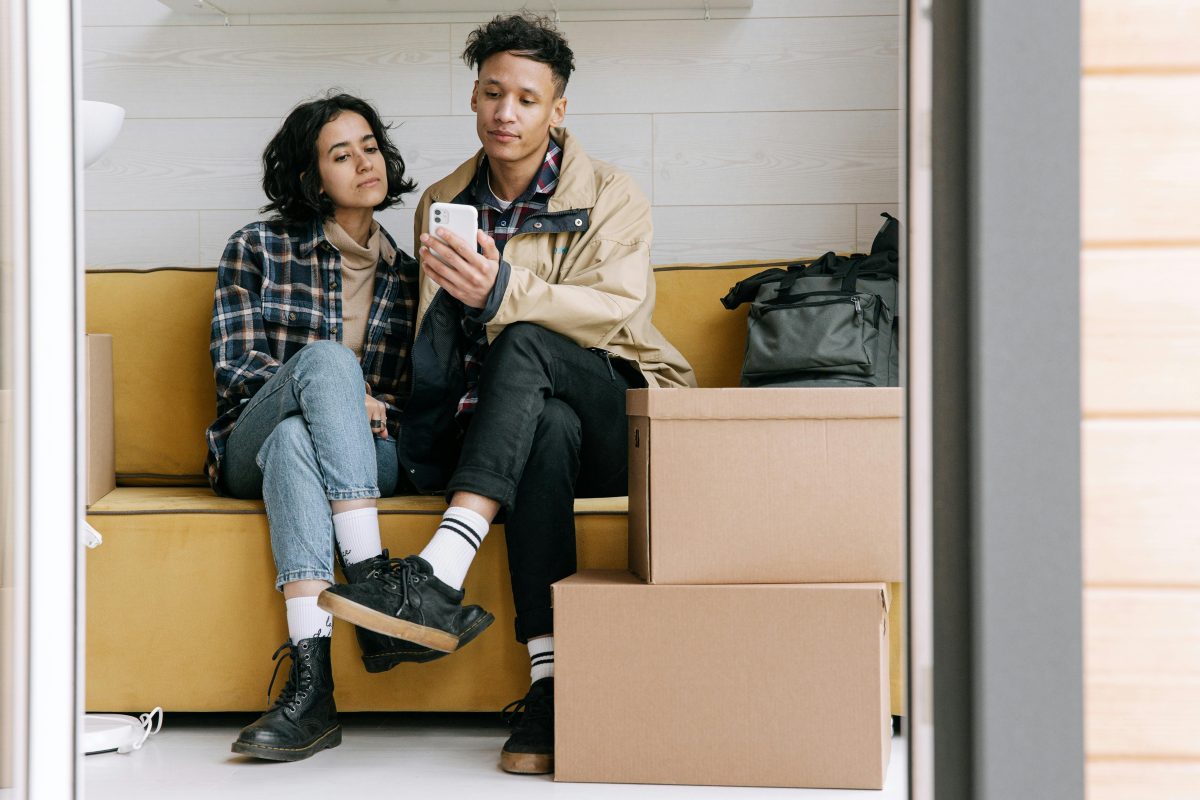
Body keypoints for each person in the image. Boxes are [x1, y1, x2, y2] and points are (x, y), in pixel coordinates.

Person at [317, 15, 696, 774]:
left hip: (620, 416)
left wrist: (502, 290)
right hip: (514, 431)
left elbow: (614, 311)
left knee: (523, 338)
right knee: (543, 428)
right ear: (473, 98)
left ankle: (439, 568)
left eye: (527, 99)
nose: (506, 113)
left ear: (558, 110)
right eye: (493, 93)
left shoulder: (613, 194)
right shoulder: (443, 201)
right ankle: (550, 686)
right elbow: (432, 340)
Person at [206, 92, 493, 763]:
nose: (365, 162)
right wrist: (333, 388)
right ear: (311, 178)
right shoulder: (256, 248)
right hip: (248, 442)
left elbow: (425, 402)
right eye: (342, 154)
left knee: (296, 443)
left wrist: (369, 408)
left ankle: (312, 692)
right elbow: (239, 373)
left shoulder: (413, 276)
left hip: (362, 452)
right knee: (323, 372)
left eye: (370, 146)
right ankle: (375, 586)